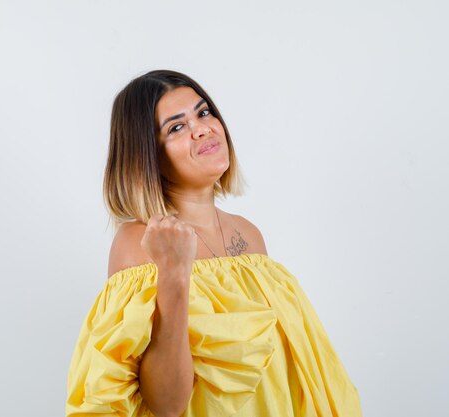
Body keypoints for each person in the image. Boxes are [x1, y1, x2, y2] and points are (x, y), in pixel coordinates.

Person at [65, 70, 362, 417]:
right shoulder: (140, 242)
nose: (203, 128)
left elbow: (287, 379)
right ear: (147, 156)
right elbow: (165, 405)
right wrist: (174, 271)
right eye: (176, 127)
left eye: (203, 112)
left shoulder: (249, 236)